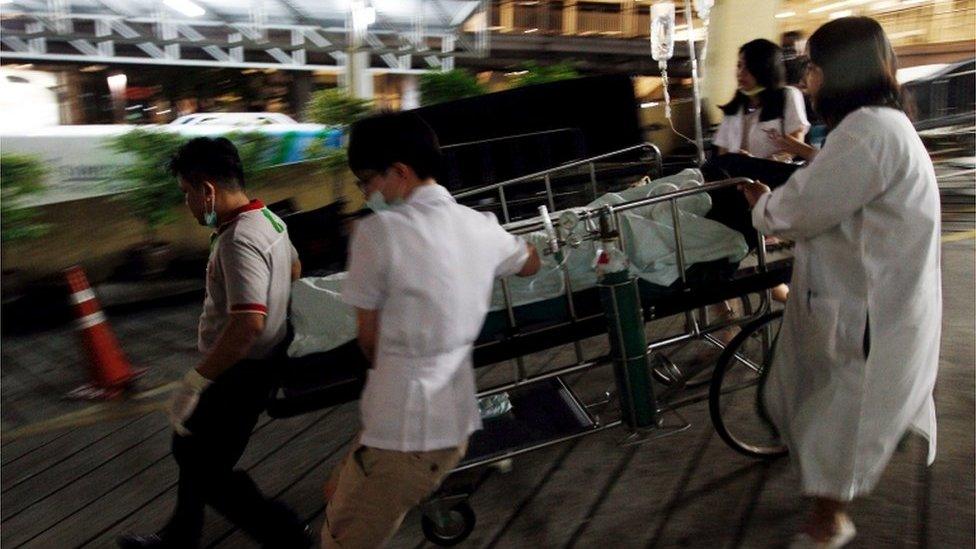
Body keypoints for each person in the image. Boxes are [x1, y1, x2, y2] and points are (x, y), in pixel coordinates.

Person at [739, 17, 941, 548]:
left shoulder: (869, 131)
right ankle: (825, 500)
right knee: (831, 410)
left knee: (841, 419)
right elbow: (838, 181)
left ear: (834, 71)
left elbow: (804, 209)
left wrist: (764, 206)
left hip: (866, 313)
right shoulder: (881, 125)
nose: (808, 80)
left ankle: (826, 521)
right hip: (870, 300)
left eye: (812, 67)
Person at [320, 111, 541, 548]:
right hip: (450, 425)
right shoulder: (480, 225)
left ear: (399, 172)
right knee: (335, 492)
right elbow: (530, 260)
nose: (366, 194)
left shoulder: (376, 233)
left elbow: (369, 340)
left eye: (366, 181)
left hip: (403, 432)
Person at [118, 137, 308, 548]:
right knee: (196, 451)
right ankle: (180, 539)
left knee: (202, 462)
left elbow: (246, 326)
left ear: (207, 190)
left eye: (187, 193)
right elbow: (294, 266)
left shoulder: (239, 240)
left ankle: (288, 535)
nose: (187, 204)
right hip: (260, 362)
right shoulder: (271, 220)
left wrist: (197, 380)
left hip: (239, 371)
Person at [713, 38, 810, 161]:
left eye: (749, 67)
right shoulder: (734, 107)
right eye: (739, 66)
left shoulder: (787, 96)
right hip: (739, 178)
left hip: (775, 177)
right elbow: (723, 155)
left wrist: (756, 163)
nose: (740, 73)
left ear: (765, 68)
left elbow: (795, 148)